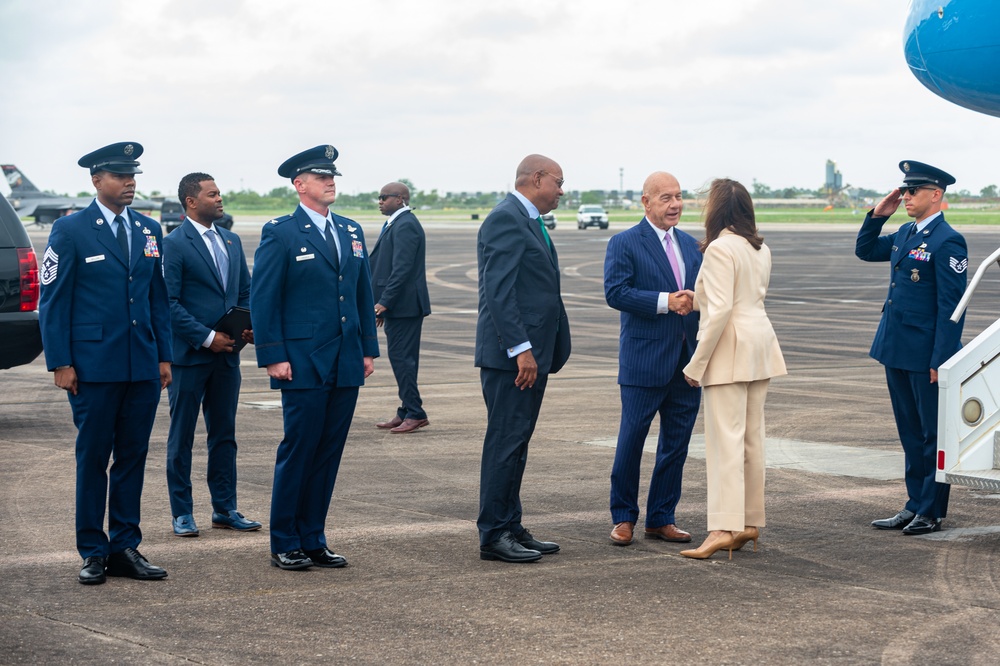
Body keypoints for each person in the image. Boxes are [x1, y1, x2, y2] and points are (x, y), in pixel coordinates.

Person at [38, 142, 172, 585]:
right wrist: (60, 361)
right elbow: (54, 301)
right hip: (92, 367)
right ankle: (93, 550)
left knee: (132, 457)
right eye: (119, 175)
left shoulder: (150, 229)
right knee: (94, 458)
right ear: (96, 180)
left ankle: (125, 546)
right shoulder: (71, 230)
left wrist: (164, 356)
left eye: (132, 175)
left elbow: (157, 300)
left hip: (141, 367)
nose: (130, 182)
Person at [250, 145, 379, 570]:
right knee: (300, 448)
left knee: (329, 451)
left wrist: (366, 350)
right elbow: (264, 297)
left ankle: (314, 537)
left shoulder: (351, 230)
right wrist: (273, 355)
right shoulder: (281, 232)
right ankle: (285, 539)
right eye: (321, 177)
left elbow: (362, 294)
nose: (331, 182)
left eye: (333, 177)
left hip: (345, 359)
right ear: (299, 185)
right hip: (301, 359)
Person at [855, 160, 967, 535]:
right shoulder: (904, 232)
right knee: (908, 431)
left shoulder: (948, 240)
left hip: (925, 355)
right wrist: (877, 215)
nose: (905, 196)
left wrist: (942, 359)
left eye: (913, 191)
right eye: (904, 190)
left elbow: (951, 308)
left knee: (931, 435)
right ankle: (913, 504)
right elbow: (866, 250)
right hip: (895, 348)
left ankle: (931, 510)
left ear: (935, 195)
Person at [681, 178, 786, 560]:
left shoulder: (720, 248)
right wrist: (698, 300)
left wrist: (697, 362)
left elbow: (722, 310)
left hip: (731, 349)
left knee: (725, 442)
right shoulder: (758, 247)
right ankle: (748, 523)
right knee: (750, 440)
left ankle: (722, 528)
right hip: (760, 344)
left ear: (717, 209)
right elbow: (738, 300)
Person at [475, 154, 571, 563]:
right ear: (537, 179)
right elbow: (500, 292)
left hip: (532, 354)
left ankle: (511, 525)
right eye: (558, 182)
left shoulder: (529, 219)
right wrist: (521, 350)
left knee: (517, 443)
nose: (562, 190)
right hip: (512, 358)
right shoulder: (507, 218)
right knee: (505, 442)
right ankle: (494, 534)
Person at [603, 171, 702, 546]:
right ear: (646, 202)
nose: (675, 204)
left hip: (687, 362)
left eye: (678, 197)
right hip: (644, 361)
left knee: (676, 445)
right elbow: (616, 292)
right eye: (666, 198)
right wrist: (665, 302)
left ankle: (661, 517)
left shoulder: (693, 246)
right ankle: (624, 516)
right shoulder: (625, 242)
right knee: (631, 441)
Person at [162, 173, 260, 537]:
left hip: (228, 357)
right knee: (181, 437)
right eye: (212, 194)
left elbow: (246, 293)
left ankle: (225, 508)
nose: (220, 199)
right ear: (191, 201)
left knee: (224, 435)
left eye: (220, 193)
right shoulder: (174, 244)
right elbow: (167, 303)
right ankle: (182, 512)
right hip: (189, 357)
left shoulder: (232, 241)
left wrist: (245, 329)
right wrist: (206, 338)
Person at [369, 181, 432, 433]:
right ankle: (406, 409)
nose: (380, 201)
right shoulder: (397, 222)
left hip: (405, 306)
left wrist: (385, 302)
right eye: (379, 197)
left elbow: (402, 269)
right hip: (400, 307)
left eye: (384, 197)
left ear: (401, 199)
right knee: (403, 359)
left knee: (402, 359)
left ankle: (415, 412)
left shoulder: (406, 225)